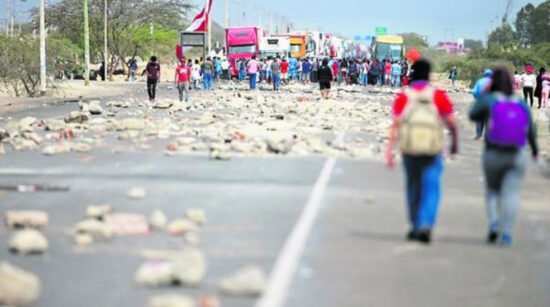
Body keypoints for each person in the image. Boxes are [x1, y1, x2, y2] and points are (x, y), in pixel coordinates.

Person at [385, 59, 459, 244]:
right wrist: (454, 141)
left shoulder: (405, 96)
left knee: (413, 187)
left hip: (410, 149)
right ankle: (426, 223)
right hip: (432, 149)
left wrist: (389, 150)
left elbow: (396, 124)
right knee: (431, 188)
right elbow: (450, 122)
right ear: (429, 74)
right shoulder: (438, 95)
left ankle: (415, 225)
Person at [469, 68, 539, 246]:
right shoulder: (520, 102)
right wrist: (536, 151)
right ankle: (506, 232)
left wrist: (485, 94)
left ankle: (494, 223)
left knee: (493, 190)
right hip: (517, 154)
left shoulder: (490, 99)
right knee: (512, 194)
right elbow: (530, 130)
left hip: (493, 152)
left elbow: (473, 114)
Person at [472, 69, 493, 140]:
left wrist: (477, 98)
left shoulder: (479, 81)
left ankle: (478, 134)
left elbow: (474, 92)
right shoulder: (494, 82)